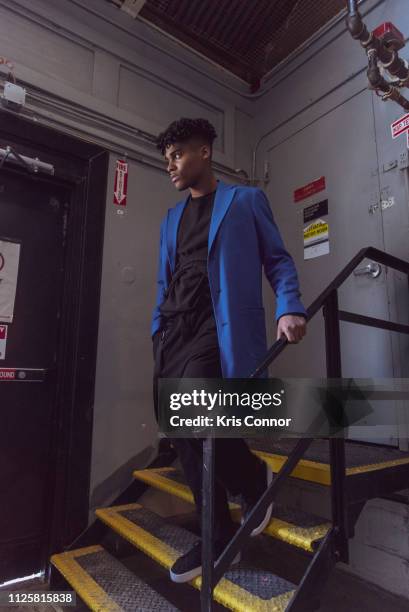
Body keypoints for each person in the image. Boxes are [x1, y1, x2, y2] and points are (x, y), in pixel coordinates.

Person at [151, 117, 307, 583]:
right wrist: (158, 330)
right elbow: (166, 279)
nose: (171, 166)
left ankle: (242, 494)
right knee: (178, 429)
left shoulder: (246, 200)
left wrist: (289, 307)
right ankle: (223, 522)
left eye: (177, 155)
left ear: (205, 152)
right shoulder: (171, 219)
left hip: (216, 331)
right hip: (173, 332)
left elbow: (278, 260)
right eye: (167, 159)